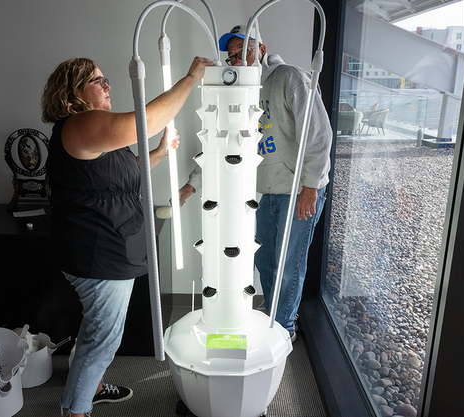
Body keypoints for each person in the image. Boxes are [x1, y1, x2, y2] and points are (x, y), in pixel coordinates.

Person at [42, 56, 211, 417]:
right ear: (74, 92)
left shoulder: (95, 133)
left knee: (96, 328)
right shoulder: (82, 124)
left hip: (104, 247)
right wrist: (190, 78)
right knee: (103, 339)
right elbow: (145, 122)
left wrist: (160, 152)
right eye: (97, 80)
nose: (107, 86)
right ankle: (75, 411)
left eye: (105, 79)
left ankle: (93, 387)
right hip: (98, 253)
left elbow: (125, 170)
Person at [180, 25, 333, 342]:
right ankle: (277, 316)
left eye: (244, 51)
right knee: (264, 260)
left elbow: (319, 135)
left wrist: (311, 188)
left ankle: (284, 329)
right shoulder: (240, 91)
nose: (238, 60)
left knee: (289, 265)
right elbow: (223, 144)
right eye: (232, 56)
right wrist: (192, 185)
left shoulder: (289, 78)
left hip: (299, 191)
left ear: (261, 50)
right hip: (270, 192)